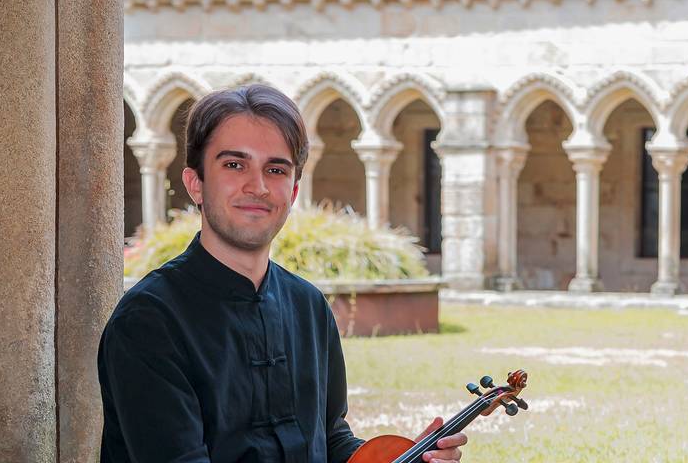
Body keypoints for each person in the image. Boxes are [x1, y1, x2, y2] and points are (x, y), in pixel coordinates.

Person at [98, 84, 471, 462]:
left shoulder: (309, 306)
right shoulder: (148, 320)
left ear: (292, 193)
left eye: (275, 170)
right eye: (234, 165)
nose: (257, 186)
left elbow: (330, 439)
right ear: (196, 183)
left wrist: (399, 457)